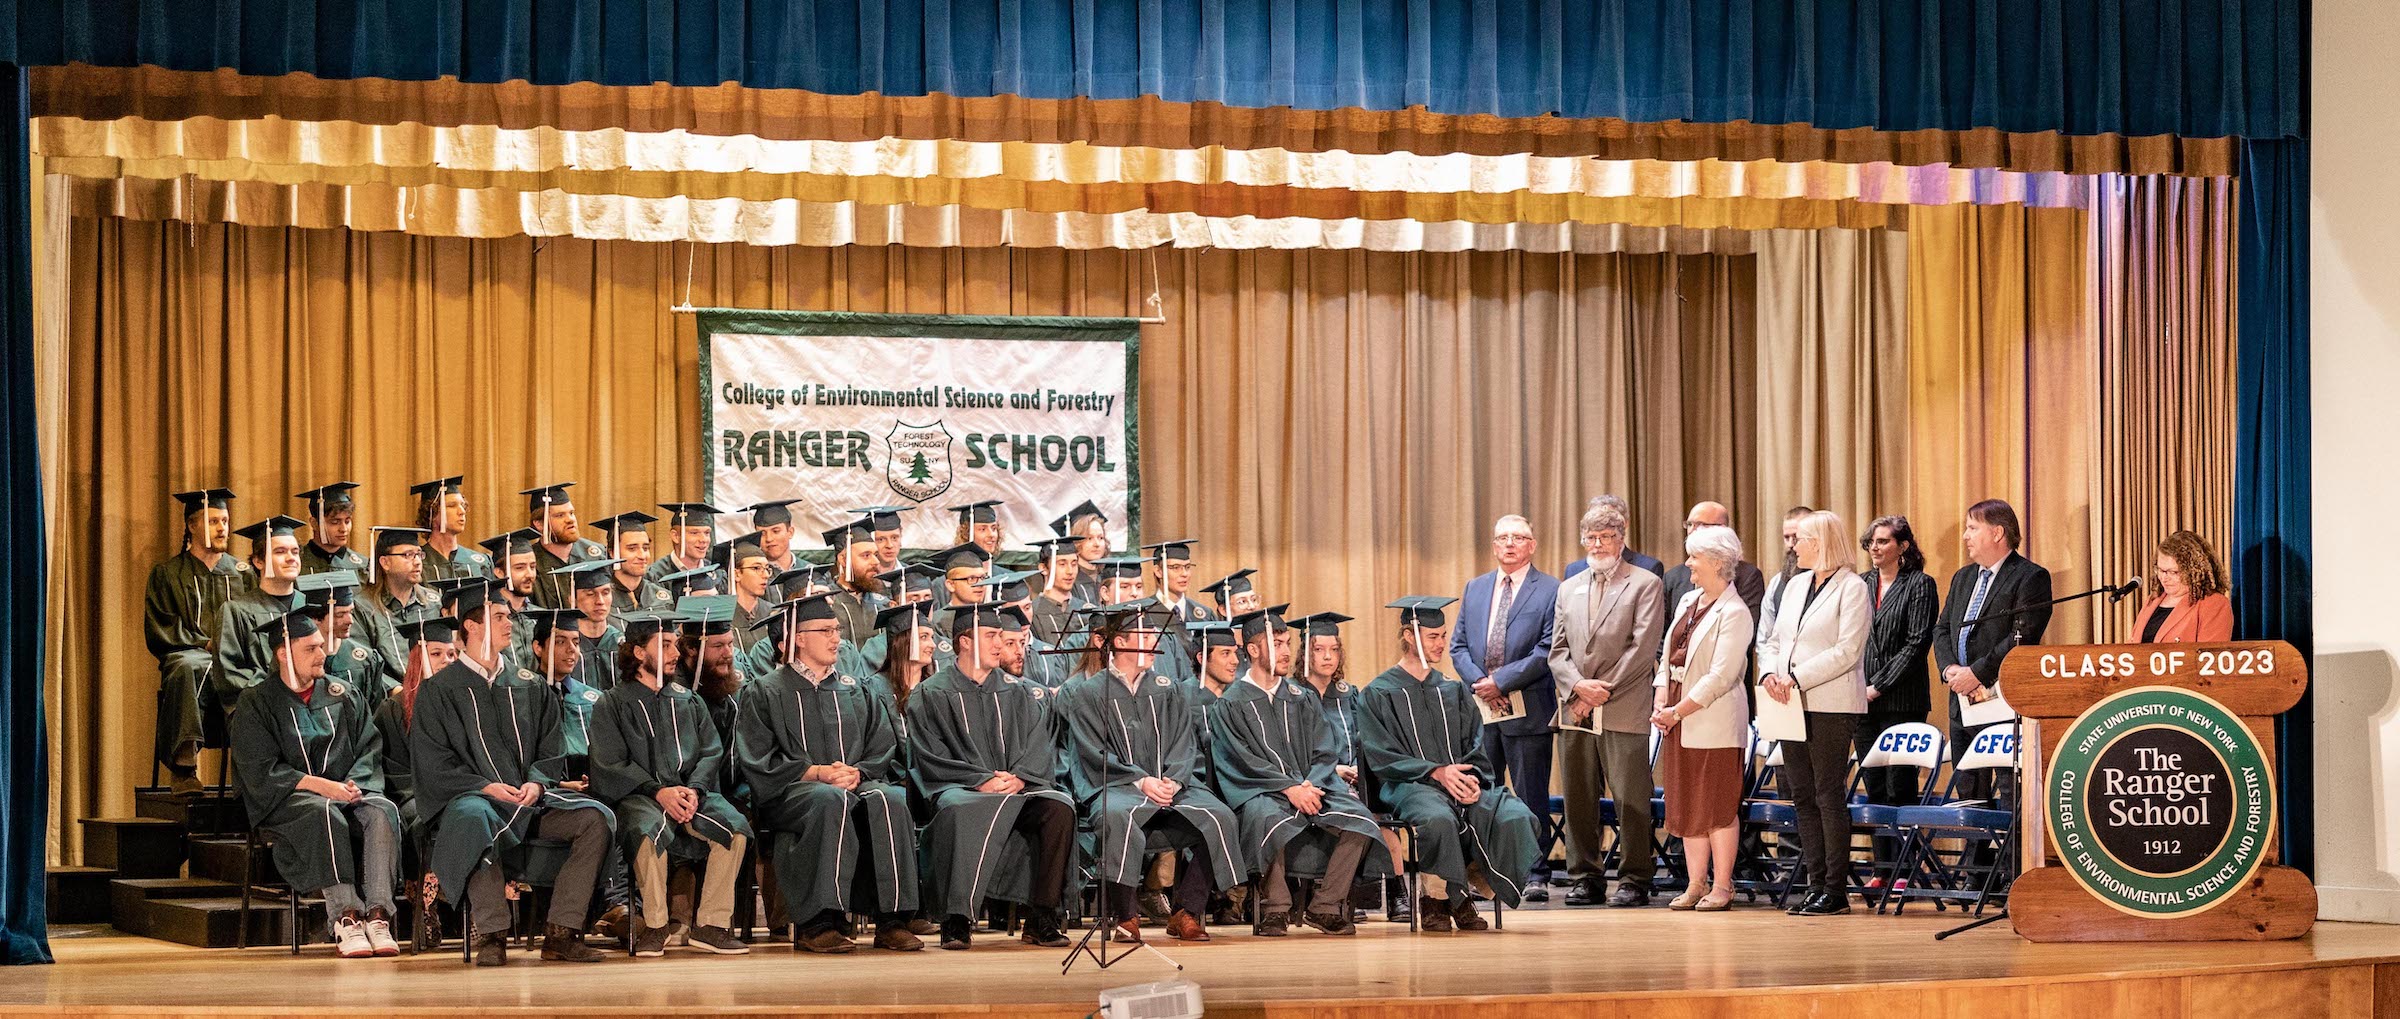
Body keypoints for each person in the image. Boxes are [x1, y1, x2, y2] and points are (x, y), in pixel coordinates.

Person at [407, 577, 616, 966]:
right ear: (470, 625)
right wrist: (486, 787)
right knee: (473, 817)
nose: (509, 623)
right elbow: (434, 763)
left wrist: (537, 783)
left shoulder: (528, 684)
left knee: (595, 818)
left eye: (508, 616)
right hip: (473, 799)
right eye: (499, 615)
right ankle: (492, 934)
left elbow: (551, 749)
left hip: (530, 802)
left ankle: (561, 932)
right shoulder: (439, 691)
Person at [733, 592, 924, 954]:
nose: (837, 638)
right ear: (798, 638)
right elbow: (758, 758)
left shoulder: (854, 689)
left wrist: (858, 773)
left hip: (850, 785)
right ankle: (819, 921)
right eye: (826, 630)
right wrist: (815, 772)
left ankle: (892, 920)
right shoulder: (766, 690)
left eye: (837, 629)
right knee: (829, 799)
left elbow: (880, 745)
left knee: (890, 798)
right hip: (790, 794)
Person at [1055, 600, 1246, 945]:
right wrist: (1141, 780)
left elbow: (1183, 744)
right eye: (1145, 635)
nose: (1154, 643)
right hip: (1117, 786)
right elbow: (1091, 752)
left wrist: (1172, 780)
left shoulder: (1165, 688)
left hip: (1170, 785)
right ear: (1121, 641)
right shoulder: (1088, 693)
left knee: (1220, 817)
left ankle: (1185, 910)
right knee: (1116, 817)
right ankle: (1126, 917)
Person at [229, 607, 404, 958]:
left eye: (321, 646)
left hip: (345, 793)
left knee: (382, 810)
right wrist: (323, 786)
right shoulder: (257, 702)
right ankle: (346, 918)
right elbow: (260, 769)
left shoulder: (343, 693)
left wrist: (354, 784)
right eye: (310, 648)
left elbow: (368, 747)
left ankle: (378, 914)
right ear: (283, 653)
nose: (322, 654)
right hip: (289, 801)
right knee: (322, 812)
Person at [1360, 596, 1541, 930]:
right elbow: (1380, 755)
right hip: (1408, 786)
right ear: (1409, 636)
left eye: (1443, 635)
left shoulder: (1453, 691)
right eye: (1433, 636)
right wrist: (1435, 772)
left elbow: (1474, 746)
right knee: (1437, 818)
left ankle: (1467, 886)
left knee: (1513, 815)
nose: (1441, 643)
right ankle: (1442, 901)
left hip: (1457, 780)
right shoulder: (1378, 692)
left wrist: (1472, 779)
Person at [906, 602, 1078, 951]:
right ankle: (956, 921)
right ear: (965, 641)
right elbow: (929, 755)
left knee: (1059, 806)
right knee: (957, 807)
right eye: (991, 636)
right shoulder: (931, 693)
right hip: (960, 788)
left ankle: (1042, 917)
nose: (1000, 644)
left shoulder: (1017, 692)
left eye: (1001, 636)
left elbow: (1037, 746)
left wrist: (1020, 778)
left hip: (1015, 788)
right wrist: (980, 781)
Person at [1209, 606, 1389, 937]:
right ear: (1253, 649)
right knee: (1265, 817)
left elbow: (1325, 750)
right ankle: (1274, 908)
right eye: (1277, 643)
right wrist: (1289, 788)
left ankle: (1325, 905)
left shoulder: (1300, 697)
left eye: (1287, 642)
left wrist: (1311, 784)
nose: (1287, 651)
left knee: (1362, 821)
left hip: (1312, 787)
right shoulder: (1231, 702)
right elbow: (1239, 759)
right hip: (1262, 790)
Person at [588, 609, 754, 957]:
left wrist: (693, 789)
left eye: (675, 644)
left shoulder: (688, 700)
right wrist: (657, 791)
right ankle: (656, 925)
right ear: (638, 652)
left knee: (735, 827)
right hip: (640, 796)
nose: (676, 653)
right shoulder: (613, 704)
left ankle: (711, 924)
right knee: (647, 829)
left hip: (692, 793)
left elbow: (711, 751)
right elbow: (611, 763)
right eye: (664, 645)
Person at [1546, 501, 1666, 907]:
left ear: (1621, 539)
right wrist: (1579, 687)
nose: (1597, 545)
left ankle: (1635, 877)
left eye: (1605, 537)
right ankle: (1585, 876)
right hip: (1574, 707)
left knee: (1630, 797)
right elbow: (1557, 650)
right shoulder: (1569, 586)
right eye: (1590, 538)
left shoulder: (1645, 583)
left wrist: (1602, 689)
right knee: (1578, 796)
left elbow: (1643, 648)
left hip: (1623, 705)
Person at [1755, 509, 1872, 916]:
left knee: (1827, 794)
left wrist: (1796, 676)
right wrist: (1771, 672)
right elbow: (1772, 638)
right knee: (1801, 795)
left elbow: (1847, 651)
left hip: (1831, 704)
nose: (1794, 545)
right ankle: (1814, 881)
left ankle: (1835, 889)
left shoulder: (1852, 587)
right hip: (1789, 702)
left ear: (1820, 543)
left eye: (1801, 539)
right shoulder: (1795, 585)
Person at [1447, 514, 1559, 901]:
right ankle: (1484, 873)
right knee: (1481, 793)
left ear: (1532, 545)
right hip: (1481, 710)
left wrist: (1502, 681)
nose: (1510, 544)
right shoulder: (1476, 587)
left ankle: (1535, 873)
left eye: (1518, 537)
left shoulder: (1550, 589)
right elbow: (1457, 645)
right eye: (1502, 538)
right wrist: (1482, 683)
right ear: (1494, 546)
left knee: (1530, 796)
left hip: (1527, 708)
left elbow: (1547, 649)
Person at [1649, 525, 1755, 913]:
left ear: (1716, 562)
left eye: (1695, 557)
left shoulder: (1736, 611)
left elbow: (1721, 676)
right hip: (1677, 714)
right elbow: (1667, 654)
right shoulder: (1688, 601)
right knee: (1687, 803)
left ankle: (1723, 886)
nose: (1689, 564)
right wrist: (1662, 696)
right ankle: (1695, 883)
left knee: (1716, 806)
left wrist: (1677, 711)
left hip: (1712, 718)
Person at [1930, 499, 2052, 801]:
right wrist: (1950, 670)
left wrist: (1977, 673)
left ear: (1997, 533)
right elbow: (1942, 629)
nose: (1965, 536)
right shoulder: (1963, 577)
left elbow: (2021, 636)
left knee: (2012, 793)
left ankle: (2009, 850)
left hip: (2002, 701)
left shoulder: (2030, 577)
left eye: (1972, 528)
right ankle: (1975, 851)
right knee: (1970, 793)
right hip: (1961, 699)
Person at [147, 487, 249, 791]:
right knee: (188, 665)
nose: (222, 529)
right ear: (191, 526)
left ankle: (257, 773)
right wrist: (206, 643)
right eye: (213, 521)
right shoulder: (168, 573)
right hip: (189, 653)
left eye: (225, 521)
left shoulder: (242, 573)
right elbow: (162, 626)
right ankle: (184, 766)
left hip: (235, 658)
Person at [1856, 516, 1938, 851]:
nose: (1875, 548)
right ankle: (1882, 867)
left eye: (1884, 541)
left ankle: (1904, 868)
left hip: (1901, 699)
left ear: (1903, 546)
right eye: (1872, 542)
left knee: (1899, 786)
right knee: (1873, 787)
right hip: (1860, 699)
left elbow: (1916, 644)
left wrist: (1877, 686)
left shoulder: (1919, 584)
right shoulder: (1860, 584)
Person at [211, 515, 309, 725]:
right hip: (258, 711)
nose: (291, 558)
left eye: (295, 551)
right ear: (258, 561)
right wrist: (280, 692)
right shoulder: (236, 611)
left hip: (310, 706)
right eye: (280, 552)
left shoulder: (311, 607)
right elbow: (229, 674)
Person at [352, 526, 440, 689]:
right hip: (390, 702)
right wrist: (396, 690)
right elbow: (364, 662)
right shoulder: (362, 607)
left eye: (419, 554)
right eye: (408, 555)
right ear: (385, 562)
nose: (417, 561)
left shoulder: (434, 603)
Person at [1659, 501, 1768, 621]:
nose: (1691, 531)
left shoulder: (1748, 576)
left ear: (1722, 529)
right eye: (1689, 524)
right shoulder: (1673, 577)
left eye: (1700, 525)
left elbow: (1749, 628)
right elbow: (1662, 632)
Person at [2133, 530, 2235, 643]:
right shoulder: (2153, 600)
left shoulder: (2214, 604)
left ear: (2194, 572)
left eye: (2174, 572)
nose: (2164, 578)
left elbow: (2209, 656)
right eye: (2161, 570)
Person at [524, 482, 605, 608]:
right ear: (539, 524)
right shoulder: (531, 563)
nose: (570, 519)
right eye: (560, 515)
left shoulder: (596, 554)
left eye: (571, 513)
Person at [550, 559, 627, 691]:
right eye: (590, 594)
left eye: (606, 592)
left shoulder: (622, 643)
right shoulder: (561, 646)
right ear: (572, 599)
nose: (600, 601)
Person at [1561, 495, 1664, 579]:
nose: (1601, 523)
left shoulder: (1648, 568)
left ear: (1624, 524)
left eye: (1611, 519)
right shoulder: (1573, 570)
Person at [412, 477, 491, 585]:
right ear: (432, 513)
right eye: (451, 505)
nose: (462, 511)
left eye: (462, 505)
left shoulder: (481, 562)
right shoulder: (416, 563)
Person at [1755, 506, 1817, 643]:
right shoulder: (1776, 583)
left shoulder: (1836, 582)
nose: (1790, 544)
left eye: (1796, 537)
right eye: (1786, 537)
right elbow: (1766, 637)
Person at [594, 511, 672, 614]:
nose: (642, 556)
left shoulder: (662, 598)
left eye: (645, 548)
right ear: (612, 553)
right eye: (632, 549)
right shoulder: (601, 600)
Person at [823, 518, 884, 646]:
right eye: (866, 555)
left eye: (876, 555)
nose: (876, 562)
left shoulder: (883, 603)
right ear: (843, 560)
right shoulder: (827, 603)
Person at [296, 482, 370, 577]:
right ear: (314, 523)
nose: (343, 529)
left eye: (347, 521)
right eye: (335, 522)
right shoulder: (296, 563)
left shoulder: (362, 565)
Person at [1027, 536, 1087, 646]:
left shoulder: (1087, 611)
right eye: (1062, 564)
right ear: (1043, 568)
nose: (1070, 571)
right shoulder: (1031, 614)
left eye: (1074, 564)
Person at [1050, 499, 1110, 603]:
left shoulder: (1108, 577)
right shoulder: (1068, 581)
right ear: (1075, 542)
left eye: (1100, 538)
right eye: (1089, 538)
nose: (1097, 544)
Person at [649, 502, 723, 584]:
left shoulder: (717, 573)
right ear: (675, 536)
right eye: (694, 533)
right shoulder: (656, 575)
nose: (703, 539)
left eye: (707, 533)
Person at [748, 499, 803, 575]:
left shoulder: (812, 572)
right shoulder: (752, 576)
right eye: (762, 533)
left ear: (790, 532)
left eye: (776, 531)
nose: (769, 538)